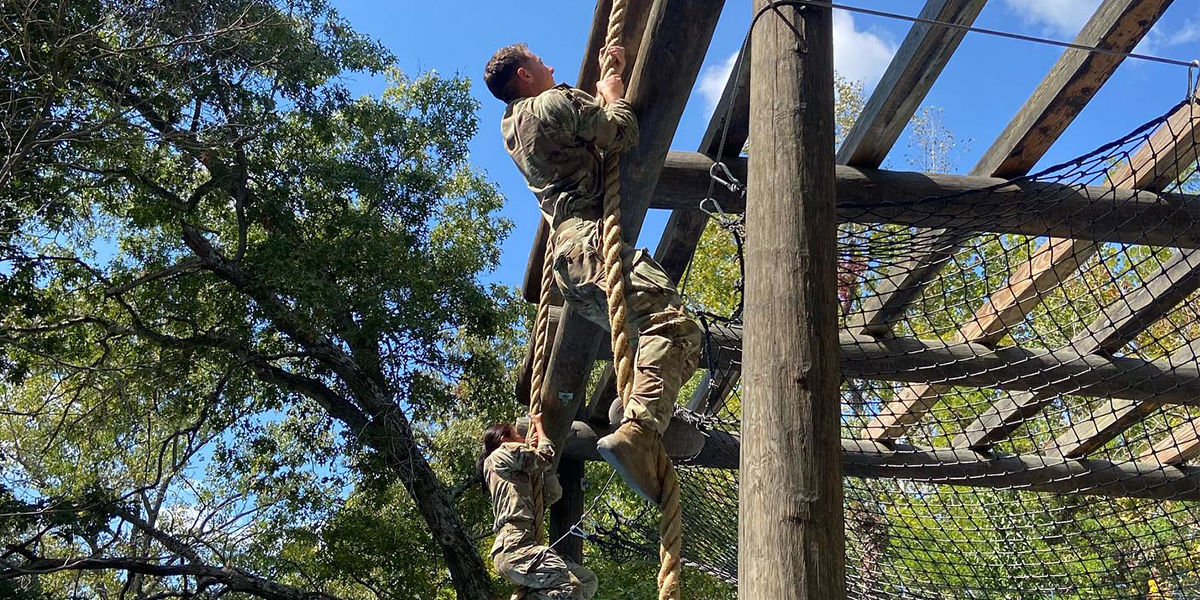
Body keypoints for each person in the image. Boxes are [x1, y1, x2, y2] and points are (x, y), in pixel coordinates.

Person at [483, 43, 701, 504]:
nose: (552, 65)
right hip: (588, 246)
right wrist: (613, 90)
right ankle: (639, 430)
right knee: (674, 324)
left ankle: (649, 416)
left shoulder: (511, 128)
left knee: (652, 335)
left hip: (568, 265)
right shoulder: (553, 103)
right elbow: (621, 133)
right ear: (524, 73)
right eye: (542, 62)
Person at [479, 415, 598, 599]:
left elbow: (552, 495)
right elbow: (545, 457)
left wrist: (544, 470)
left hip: (523, 544)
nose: (523, 437)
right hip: (514, 546)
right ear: (504, 438)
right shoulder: (500, 454)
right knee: (570, 586)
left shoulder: (518, 477)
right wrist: (539, 425)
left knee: (586, 580)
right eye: (518, 434)